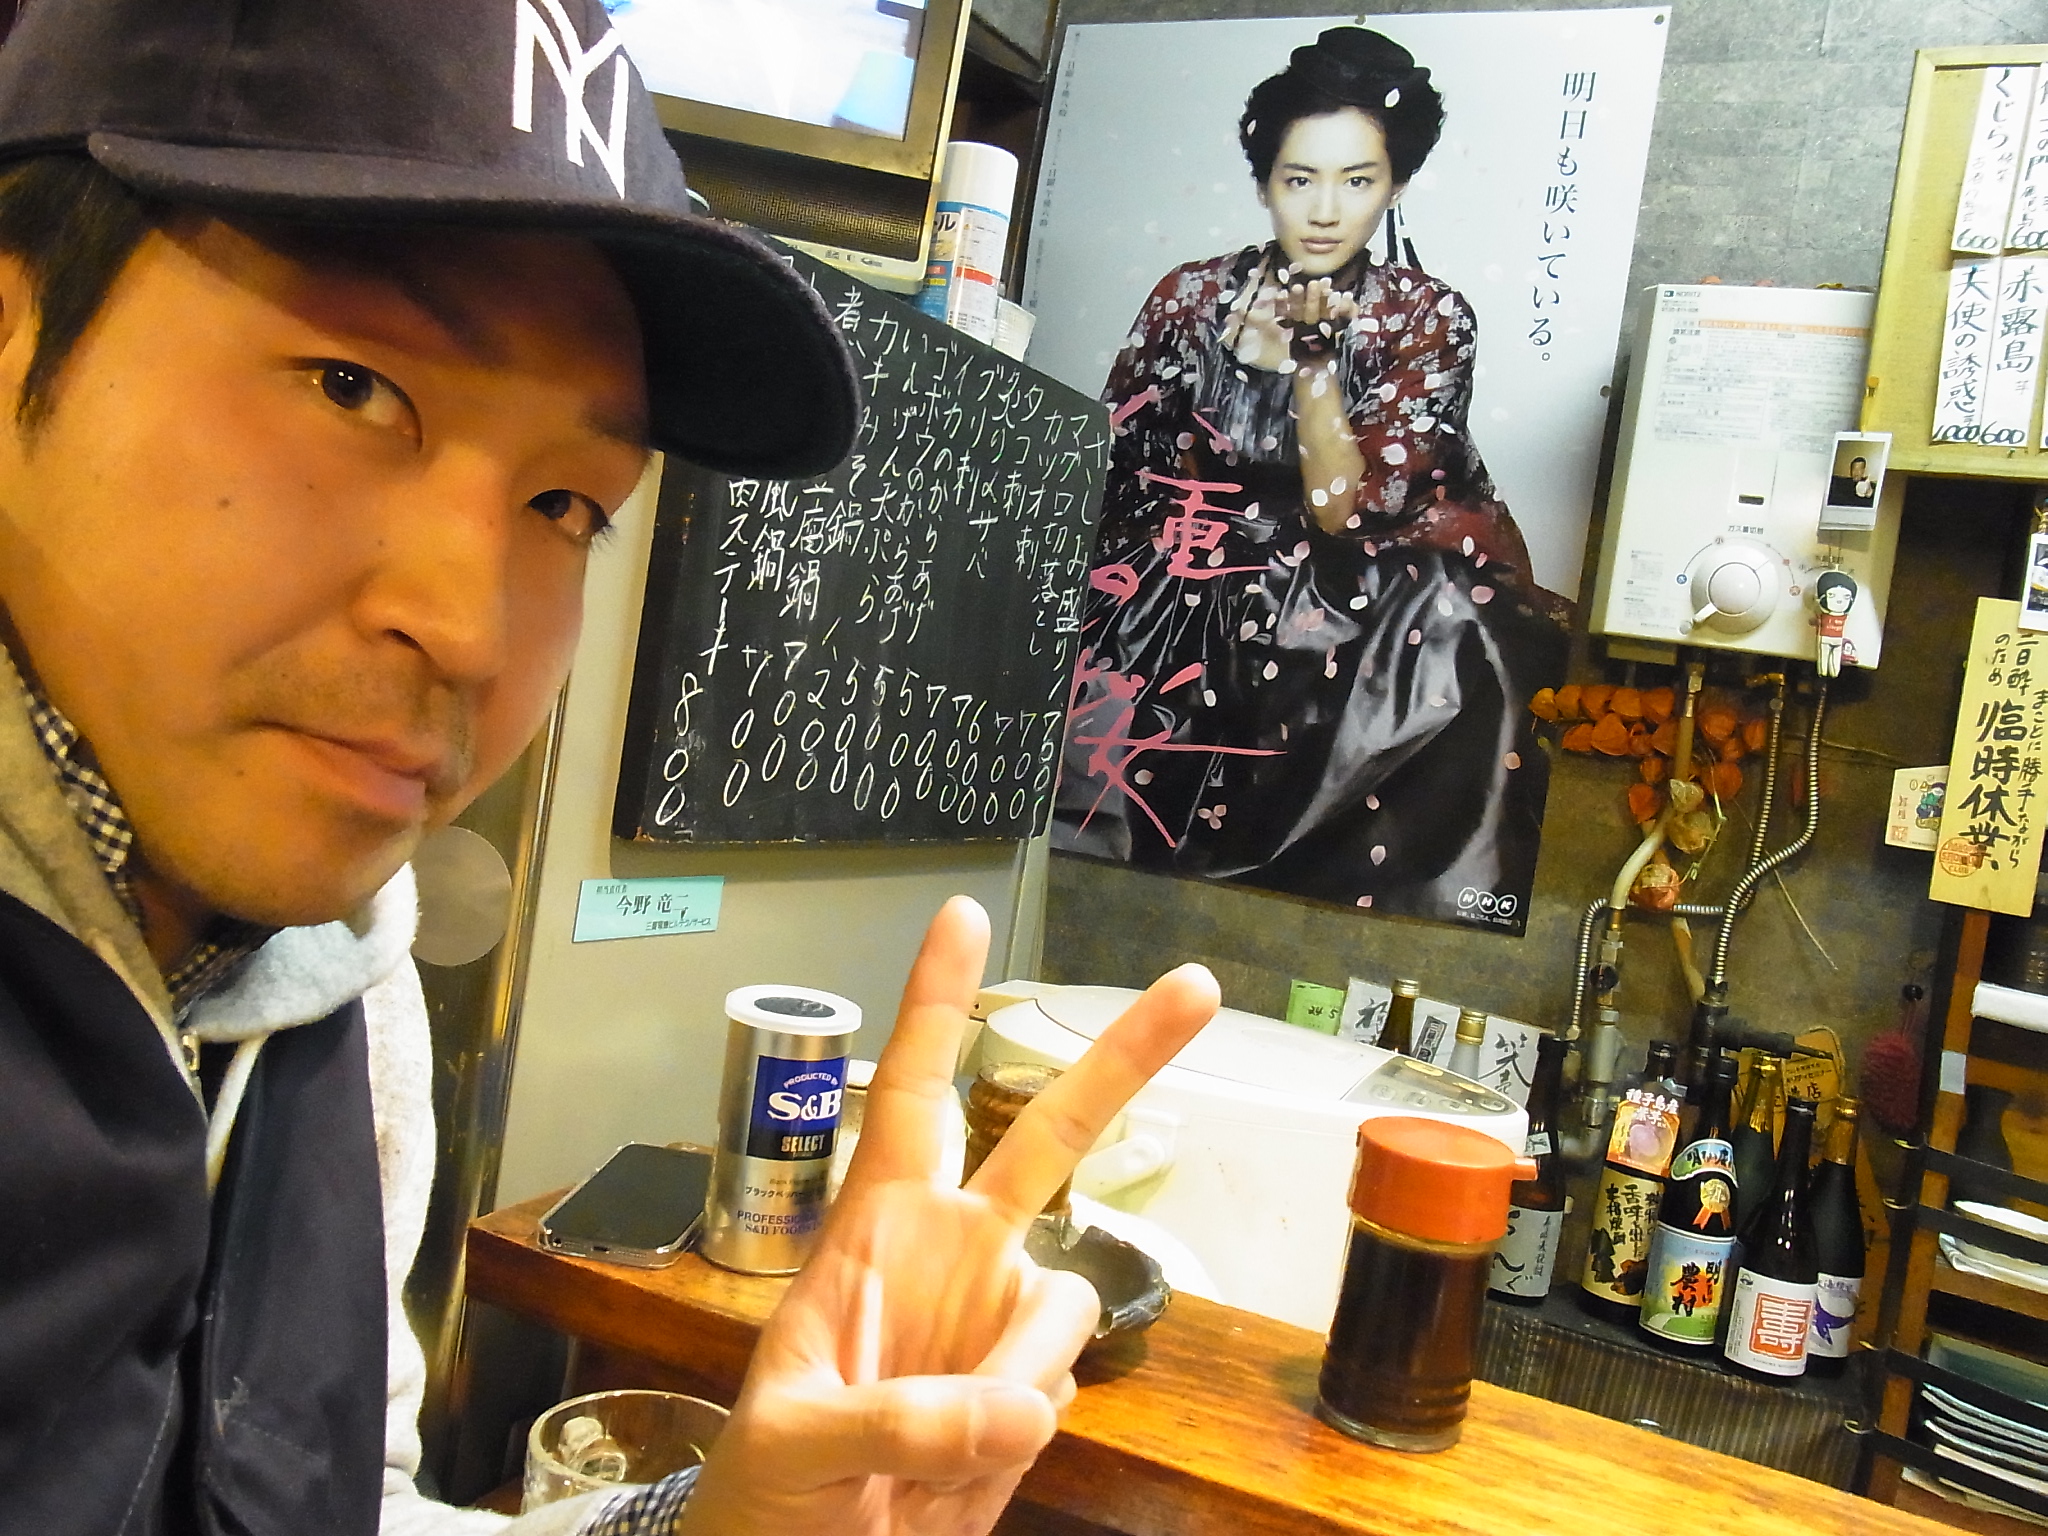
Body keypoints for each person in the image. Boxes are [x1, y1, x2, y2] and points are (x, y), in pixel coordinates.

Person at [0, 3, 1219, 1535]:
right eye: (352, 387)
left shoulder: (332, 985)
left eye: (568, 504)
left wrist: (724, 1525)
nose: (465, 626)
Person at [1051, 26, 1567, 925]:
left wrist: (1315, 363)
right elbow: (1114, 461)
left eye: (1358, 181)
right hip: (1181, 571)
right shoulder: (1190, 295)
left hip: (1345, 583)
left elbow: (1349, 510)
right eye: (1300, 180)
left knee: (1462, 633)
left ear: (1396, 185)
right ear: (1264, 185)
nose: (1326, 211)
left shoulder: (1426, 314)